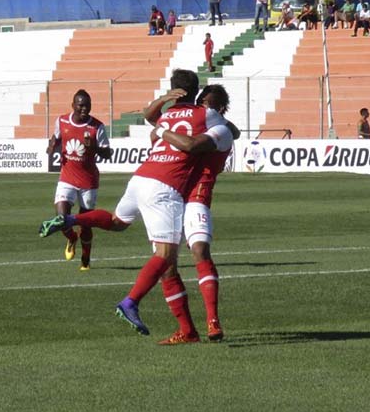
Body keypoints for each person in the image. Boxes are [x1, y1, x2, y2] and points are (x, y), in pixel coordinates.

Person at [39, 69, 233, 345]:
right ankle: (131, 302)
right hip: (166, 188)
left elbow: (149, 114)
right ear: (197, 95)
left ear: (174, 91)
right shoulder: (206, 117)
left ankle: (69, 221)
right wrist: (173, 128)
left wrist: (164, 115)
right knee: (167, 256)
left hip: (140, 178)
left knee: (119, 222)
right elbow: (203, 139)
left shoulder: (165, 115)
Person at [143, 84, 239, 342]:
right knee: (166, 265)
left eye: (208, 104)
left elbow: (200, 142)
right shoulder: (197, 121)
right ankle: (186, 330)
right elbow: (152, 120)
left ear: (219, 109)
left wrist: (162, 131)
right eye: (201, 102)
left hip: (197, 194)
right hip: (170, 194)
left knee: (199, 250)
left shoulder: (220, 130)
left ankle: (213, 321)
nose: (202, 108)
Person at [45, 90, 112, 271]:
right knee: (61, 218)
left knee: (86, 223)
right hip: (67, 177)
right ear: (73, 105)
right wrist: (51, 146)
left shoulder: (97, 127)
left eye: (87, 105)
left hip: (88, 181)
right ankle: (71, 238)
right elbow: (56, 137)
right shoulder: (62, 121)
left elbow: (108, 153)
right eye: (81, 105)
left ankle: (85, 260)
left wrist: (95, 148)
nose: (84, 109)